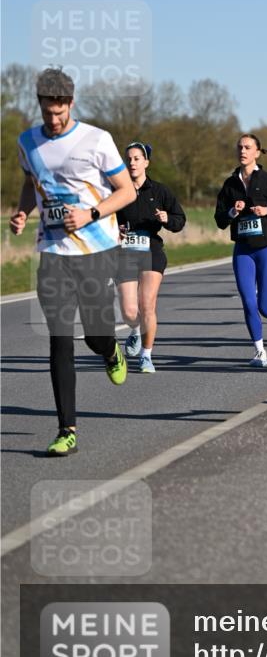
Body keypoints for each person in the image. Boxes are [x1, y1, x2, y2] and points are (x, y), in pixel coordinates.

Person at [9, 68, 136, 456]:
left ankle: (110, 349)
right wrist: (22, 211)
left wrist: (91, 214)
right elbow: (32, 183)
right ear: (41, 102)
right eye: (49, 104)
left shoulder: (96, 140)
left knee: (96, 336)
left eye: (61, 104)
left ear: (71, 102)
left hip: (95, 251)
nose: (55, 112)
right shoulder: (27, 142)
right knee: (60, 340)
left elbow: (127, 191)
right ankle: (67, 429)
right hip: (52, 254)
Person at [215, 134, 267, 367]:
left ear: (257, 152)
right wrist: (232, 212)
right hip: (243, 251)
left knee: (264, 306)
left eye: (248, 147)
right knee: (249, 302)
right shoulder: (230, 185)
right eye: (239, 147)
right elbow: (219, 219)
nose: (243, 151)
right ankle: (260, 351)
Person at [115, 141, 186, 372]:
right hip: (125, 251)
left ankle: (147, 355)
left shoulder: (160, 191)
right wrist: (114, 231)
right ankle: (134, 330)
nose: (132, 163)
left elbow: (179, 220)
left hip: (151, 250)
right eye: (129, 159)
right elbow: (103, 220)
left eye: (137, 158)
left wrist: (166, 219)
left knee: (147, 305)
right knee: (128, 311)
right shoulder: (117, 191)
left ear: (146, 162)